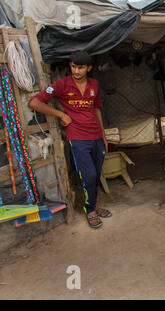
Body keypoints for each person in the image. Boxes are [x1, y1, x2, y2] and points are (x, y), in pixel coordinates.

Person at [28, 51, 112, 229]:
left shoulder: (94, 84)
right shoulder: (61, 84)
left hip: (96, 136)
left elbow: (97, 110)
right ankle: (89, 210)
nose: (76, 70)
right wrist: (60, 114)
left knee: (96, 175)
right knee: (88, 175)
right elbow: (35, 103)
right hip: (78, 137)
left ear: (88, 68)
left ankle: (94, 205)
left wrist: (104, 136)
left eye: (80, 67)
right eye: (73, 66)